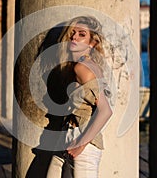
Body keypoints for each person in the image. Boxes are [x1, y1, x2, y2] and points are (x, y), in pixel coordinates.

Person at [46, 16, 113, 178]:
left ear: (92, 43)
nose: (74, 37)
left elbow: (106, 110)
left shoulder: (83, 68)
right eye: (72, 33)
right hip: (68, 136)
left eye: (82, 34)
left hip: (82, 141)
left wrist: (81, 145)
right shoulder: (82, 65)